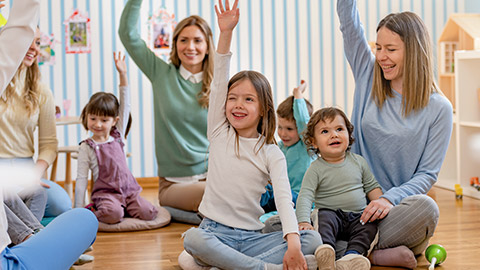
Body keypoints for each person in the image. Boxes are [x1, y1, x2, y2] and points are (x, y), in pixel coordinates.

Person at [182, 1, 326, 269]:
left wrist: (293, 243)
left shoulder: (271, 152)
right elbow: (218, 83)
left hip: (251, 237)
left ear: (263, 109)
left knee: (312, 239)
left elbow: (284, 197)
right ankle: (262, 268)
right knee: (192, 239)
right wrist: (226, 34)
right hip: (214, 232)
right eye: (233, 98)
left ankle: (227, 265)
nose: (238, 104)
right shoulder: (218, 131)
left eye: (248, 99)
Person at [337, 0, 453, 268]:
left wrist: (390, 199)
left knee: (427, 209)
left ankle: (347, 249)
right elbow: (349, 26)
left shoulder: (439, 108)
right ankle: (373, 252)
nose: (381, 56)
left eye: (390, 49)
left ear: (413, 52)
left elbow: (427, 174)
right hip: (350, 203)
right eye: (378, 47)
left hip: (393, 211)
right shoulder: (368, 76)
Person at [119, 0, 215, 224]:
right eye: (184, 40)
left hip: (213, 177)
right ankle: (197, 215)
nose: (190, 47)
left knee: (233, 192)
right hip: (174, 184)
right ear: (175, 44)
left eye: (197, 41)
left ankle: (195, 217)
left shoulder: (219, 82)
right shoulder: (161, 73)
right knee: (217, 197)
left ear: (208, 46)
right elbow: (128, 35)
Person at [75, 52, 158, 224]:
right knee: (112, 215)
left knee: (148, 212)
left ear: (115, 121)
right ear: (87, 116)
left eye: (104, 120)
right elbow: (81, 178)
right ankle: (98, 210)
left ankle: (125, 207)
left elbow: (125, 103)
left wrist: (123, 74)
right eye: (93, 118)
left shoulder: (118, 135)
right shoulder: (86, 147)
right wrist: (77, 211)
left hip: (129, 191)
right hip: (106, 194)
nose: (97, 124)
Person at [296, 107, 383, 270]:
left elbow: (372, 187)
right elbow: (306, 196)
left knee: (370, 225)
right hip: (331, 213)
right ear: (314, 142)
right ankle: (325, 252)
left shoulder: (358, 162)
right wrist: (303, 221)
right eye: (325, 131)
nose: (334, 135)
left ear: (349, 136)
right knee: (324, 219)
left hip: (358, 215)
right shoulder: (316, 168)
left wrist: (380, 205)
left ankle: (352, 256)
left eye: (339, 129)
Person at [0, 25, 71, 220]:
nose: (34, 48)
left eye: (37, 42)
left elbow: (49, 144)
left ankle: (22, 235)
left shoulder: (41, 91)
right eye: (27, 41)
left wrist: (35, 174)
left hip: (25, 168)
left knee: (61, 204)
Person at [260, 80, 314, 213]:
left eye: (289, 129)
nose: (283, 134)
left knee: (272, 195)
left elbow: (302, 121)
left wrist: (297, 93)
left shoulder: (308, 147)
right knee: (259, 190)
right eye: (280, 127)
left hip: (300, 198)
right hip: (280, 195)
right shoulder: (277, 148)